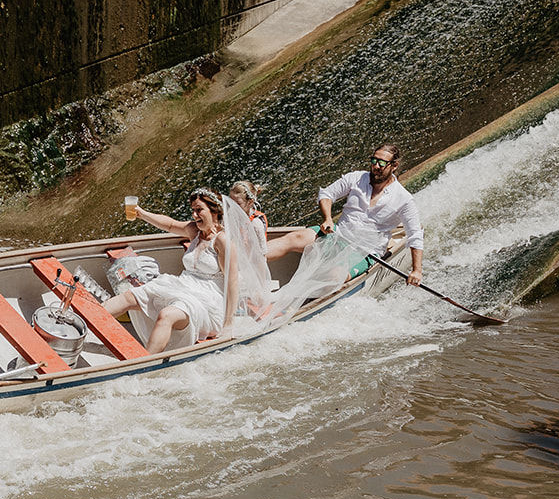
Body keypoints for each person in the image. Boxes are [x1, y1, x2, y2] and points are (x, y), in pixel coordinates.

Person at [102, 189, 250, 352]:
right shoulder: (194, 231)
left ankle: (144, 366)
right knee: (129, 297)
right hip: (181, 286)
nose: (194, 215)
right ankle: (76, 326)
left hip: (207, 301)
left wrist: (228, 324)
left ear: (214, 211)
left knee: (167, 315)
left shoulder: (222, 240)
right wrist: (141, 214)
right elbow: (170, 224)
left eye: (199, 210)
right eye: (193, 210)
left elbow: (232, 282)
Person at [264, 143, 424, 286]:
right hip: (337, 235)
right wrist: (327, 218)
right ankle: (243, 268)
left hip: (366, 250)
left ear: (394, 165)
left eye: (382, 163)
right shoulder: (355, 178)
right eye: (374, 160)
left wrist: (416, 271)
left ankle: (292, 302)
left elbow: (415, 234)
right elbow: (326, 194)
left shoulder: (404, 199)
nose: (376, 166)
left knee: (334, 275)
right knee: (294, 238)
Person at [229, 181, 268, 249]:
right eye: (231, 203)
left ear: (250, 202)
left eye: (238, 204)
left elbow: (262, 252)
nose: (233, 207)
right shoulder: (228, 218)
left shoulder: (256, 224)